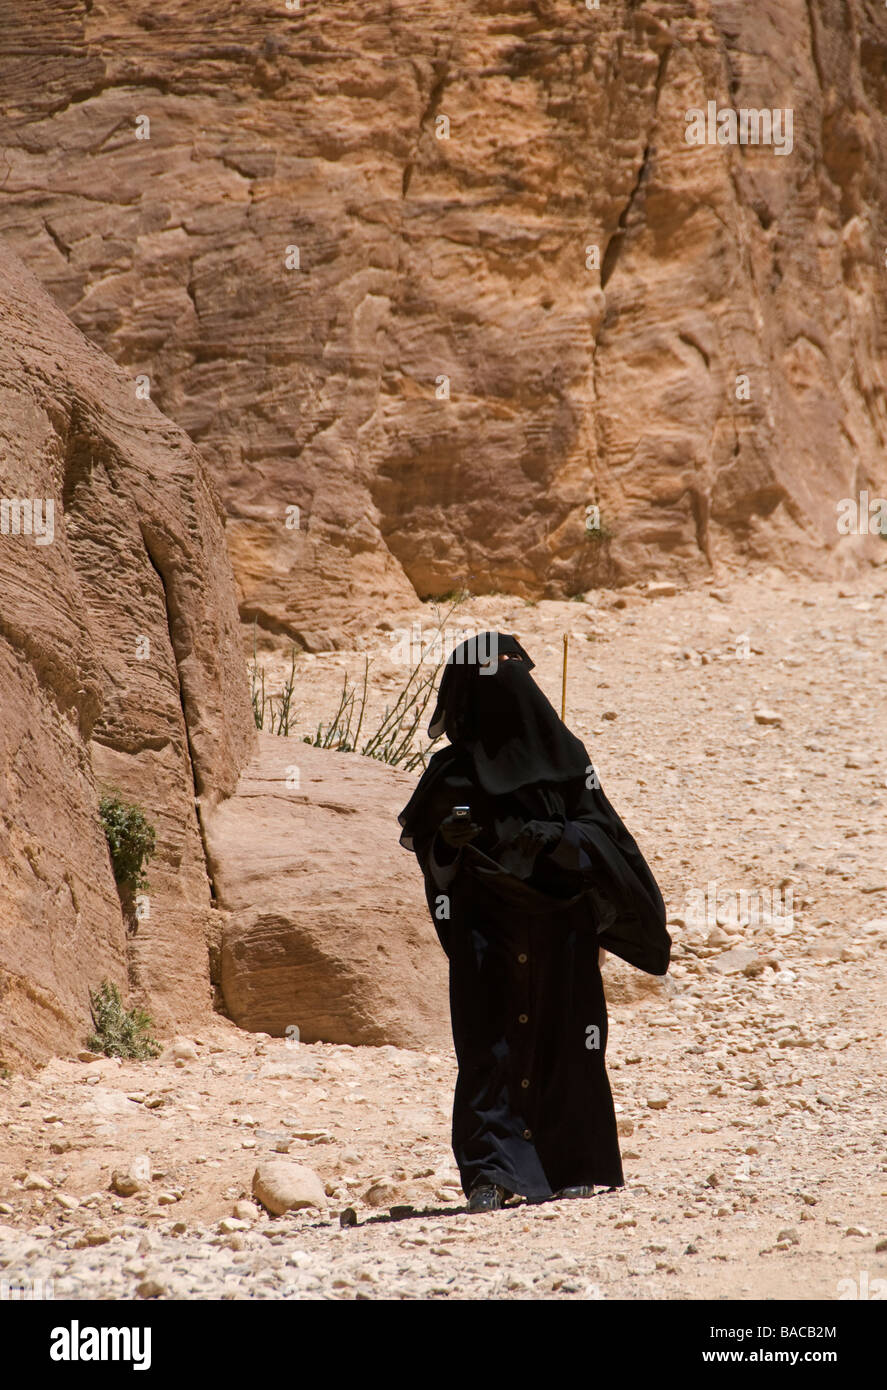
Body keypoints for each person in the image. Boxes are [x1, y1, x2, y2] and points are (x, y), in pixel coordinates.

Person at [397, 631, 670, 1213]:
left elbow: (609, 844)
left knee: (569, 1042)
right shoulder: (451, 775)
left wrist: (556, 838)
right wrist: (448, 841)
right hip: (485, 934)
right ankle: (490, 1175)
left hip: (561, 932)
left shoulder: (568, 766)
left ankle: (576, 1163)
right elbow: (431, 856)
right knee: (488, 1048)